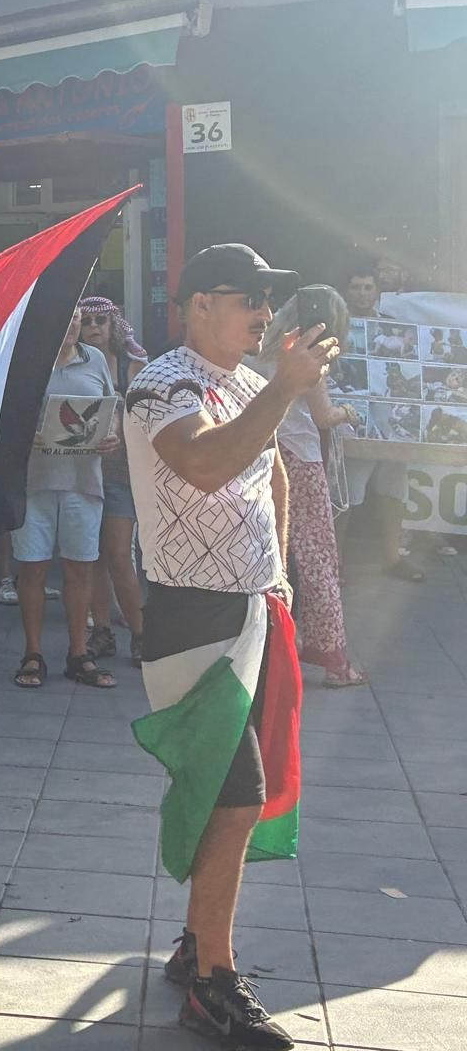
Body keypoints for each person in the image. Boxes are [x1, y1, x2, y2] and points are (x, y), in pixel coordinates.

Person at [125, 243, 332, 1050]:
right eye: (247, 297)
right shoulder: (161, 382)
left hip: (251, 608)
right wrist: (284, 387)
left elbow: (270, 473)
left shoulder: (246, 382)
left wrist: (278, 577)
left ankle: (197, 947)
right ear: (197, 305)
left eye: (267, 300)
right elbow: (205, 463)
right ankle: (214, 983)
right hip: (189, 614)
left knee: (234, 792)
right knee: (233, 798)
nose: (263, 313)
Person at [248, 295, 369, 688]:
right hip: (300, 458)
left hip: (260, 451)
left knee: (267, 551)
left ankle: (269, 647)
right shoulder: (308, 357)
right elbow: (323, 415)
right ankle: (333, 659)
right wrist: (349, 413)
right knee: (318, 557)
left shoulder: (260, 350)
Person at [12, 309, 120, 690]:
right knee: (32, 570)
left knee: (80, 569)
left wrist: (112, 435)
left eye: (77, 317)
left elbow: (111, 409)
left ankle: (79, 653)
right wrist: (24, 433)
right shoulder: (27, 358)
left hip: (83, 480)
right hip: (34, 482)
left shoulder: (96, 360)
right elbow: (4, 414)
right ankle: (32, 653)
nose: (73, 324)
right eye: (66, 315)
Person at [77, 296, 148, 664]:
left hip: (122, 472)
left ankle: (141, 634)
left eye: (101, 321)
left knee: (120, 555)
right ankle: (101, 631)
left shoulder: (132, 365)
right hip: (82, 471)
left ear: (113, 325)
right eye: (87, 321)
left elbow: (144, 415)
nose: (93, 327)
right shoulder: (71, 362)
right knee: (92, 558)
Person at [337, 267, 416, 580]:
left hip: (390, 416)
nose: (362, 293)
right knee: (348, 494)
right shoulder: (336, 325)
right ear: (347, 291)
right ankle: (335, 564)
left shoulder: (392, 326)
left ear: (377, 292)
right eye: (356, 287)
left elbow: (408, 368)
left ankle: (392, 559)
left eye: (368, 287)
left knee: (394, 491)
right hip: (353, 413)